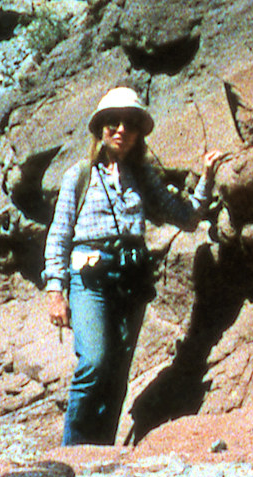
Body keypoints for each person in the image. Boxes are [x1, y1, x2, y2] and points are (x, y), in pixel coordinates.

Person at [43, 87, 225, 446]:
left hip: (131, 280)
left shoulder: (142, 177)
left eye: (130, 123)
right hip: (89, 278)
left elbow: (185, 216)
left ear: (140, 132)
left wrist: (205, 178)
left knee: (117, 373)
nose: (121, 129)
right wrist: (55, 290)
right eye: (113, 122)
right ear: (100, 128)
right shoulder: (79, 175)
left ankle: (102, 451)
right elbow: (59, 234)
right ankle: (72, 451)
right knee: (94, 361)